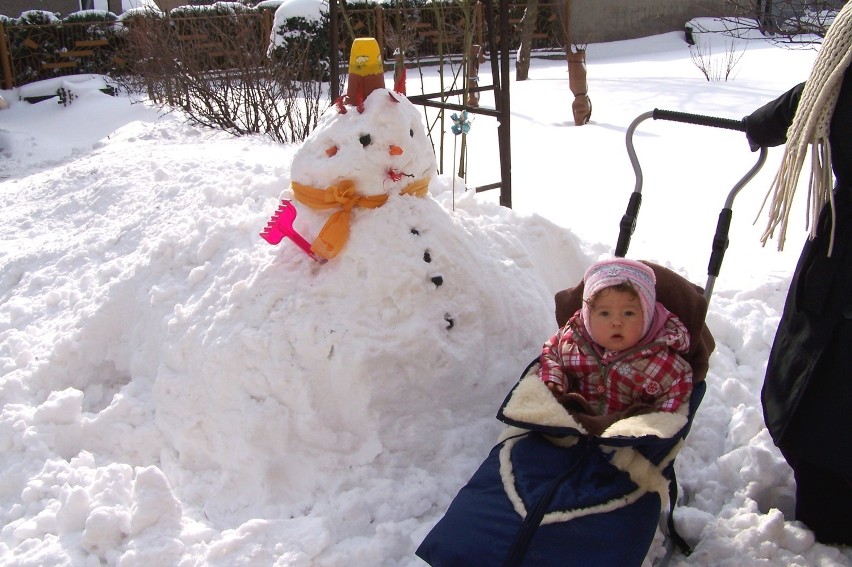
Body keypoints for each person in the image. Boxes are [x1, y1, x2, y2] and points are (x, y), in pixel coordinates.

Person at [741, 1, 852, 546]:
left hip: (842, 262)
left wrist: (763, 124)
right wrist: (764, 123)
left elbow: (821, 92)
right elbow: (820, 90)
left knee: (823, 386)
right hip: (839, 256)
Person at [538, 257, 693, 435]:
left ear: (647, 317)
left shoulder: (661, 363)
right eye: (604, 313)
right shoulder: (572, 341)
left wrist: (654, 427)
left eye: (629, 313)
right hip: (573, 424)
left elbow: (676, 390)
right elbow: (551, 353)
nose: (617, 322)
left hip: (626, 435)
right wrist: (554, 378)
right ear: (588, 317)